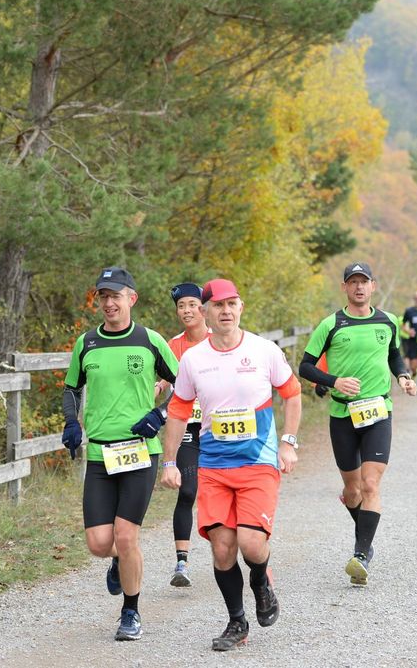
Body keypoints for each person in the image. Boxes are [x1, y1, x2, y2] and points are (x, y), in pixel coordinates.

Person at [160, 278, 302, 652]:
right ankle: (236, 621)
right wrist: (170, 461)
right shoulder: (193, 359)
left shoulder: (263, 350)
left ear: (241, 307)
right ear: (206, 312)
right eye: (218, 306)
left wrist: (288, 443)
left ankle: (260, 581)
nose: (225, 311)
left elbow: (292, 393)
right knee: (222, 548)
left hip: (257, 464)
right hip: (214, 466)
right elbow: (177, 411)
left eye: (232, 304)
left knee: (252, 545)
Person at [61, 266, 179, 641]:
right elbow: (70, 389)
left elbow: (186, 387)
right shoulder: (87, 343)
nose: (109, 303)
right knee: (100, 544)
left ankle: (130, 612)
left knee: (127, 536)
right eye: (103, 297)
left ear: (132, 298)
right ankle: (118, 560)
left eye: (116, 295)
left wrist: (159, 415)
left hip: (141, 452)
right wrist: (71, 423)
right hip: (99, 455)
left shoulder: (150, 341)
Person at [299, 263, 416, 587]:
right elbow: (305, 367)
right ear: (345, 288)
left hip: (378, 411)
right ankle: (364, 533)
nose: (359, 287)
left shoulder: (388, 320)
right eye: (353, 282)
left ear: (373, 286)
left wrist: (403, 376)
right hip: (343, 415)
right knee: (352, 491)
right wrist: (334, 380)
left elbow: (395, 355)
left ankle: (361, 553)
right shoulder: (331, 324)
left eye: (364, 282)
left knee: (370, 485)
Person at [163, 282, 210, 588]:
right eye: (182, 306)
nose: (187, 311)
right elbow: (166, 381)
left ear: (203, 308)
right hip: (187, 427)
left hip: (219, 426)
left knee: (223, 490)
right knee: (189, 489)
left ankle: (235, 551)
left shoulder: (217, 340)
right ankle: (182, 562)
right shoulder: (173, 345)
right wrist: (158, 388)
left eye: (192, 304)